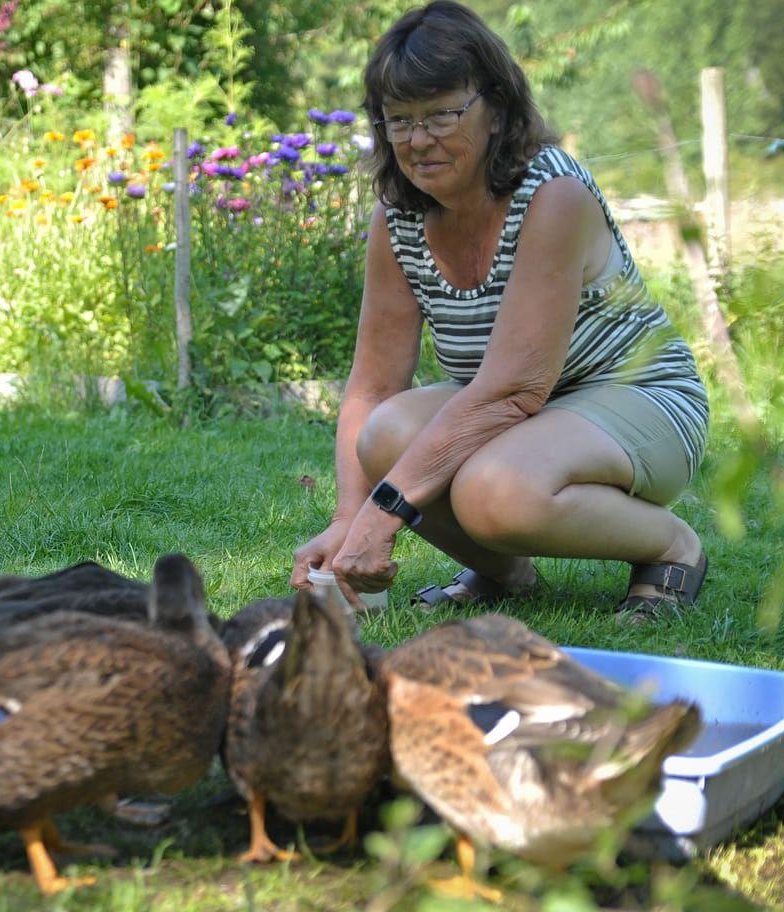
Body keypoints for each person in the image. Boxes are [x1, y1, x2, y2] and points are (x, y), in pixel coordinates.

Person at [290, 1, 710, 621]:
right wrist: (347, 519)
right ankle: (504, 572)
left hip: (635, 394)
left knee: (497, 491)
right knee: (383, 435)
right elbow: (373, 387)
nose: (418, 140)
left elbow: (513, 391)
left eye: (441, 114)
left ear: (496, 108)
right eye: (398, 120)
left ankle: (673, 546)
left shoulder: (552, 195)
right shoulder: (398, 216)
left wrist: (383, 515)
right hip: (520, 413)